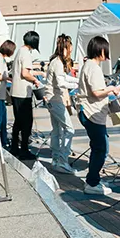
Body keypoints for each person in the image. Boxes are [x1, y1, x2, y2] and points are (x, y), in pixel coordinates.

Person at [78, 35, 120, 196]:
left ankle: (93, 178)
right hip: (92, 112)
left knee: (98, 147)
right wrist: (114, 89)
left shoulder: (89, 65)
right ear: (100, 50)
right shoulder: (93, 67)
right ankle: (92, 182)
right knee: (101, 148)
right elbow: (97, 92)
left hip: (90, 112)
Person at [44, 34, 78, 174]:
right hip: (55, 100)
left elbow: (64, 78)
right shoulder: (57, 63)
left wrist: (78, 80)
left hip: (52, 100)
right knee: (69, 129)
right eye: (69, 47)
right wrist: (79, 82)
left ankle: (56, 159)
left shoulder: (56, 61)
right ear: (65, 47)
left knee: (57, 131)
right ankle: (63, 161)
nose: (71, 50)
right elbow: (61, 82)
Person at [10, 30, 44, 160]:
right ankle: (24, 149)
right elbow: (25, 73)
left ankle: (14, 147)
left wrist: (36, 74)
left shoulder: (20, 51)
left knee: (18, 122)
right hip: (23, 94)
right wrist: (35, 80)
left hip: (16, 91)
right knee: (26, 123)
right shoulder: (27, 54)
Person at [0, 40, 17, 148]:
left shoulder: (1, 59)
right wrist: (8, 78)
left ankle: (3, 142)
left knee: (3, 120)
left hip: (0, 95)